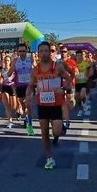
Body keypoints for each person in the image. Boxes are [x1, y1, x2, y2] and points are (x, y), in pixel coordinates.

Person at [26, 41, 72, 169]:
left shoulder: (57, 67)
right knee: (44, 132)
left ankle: (61, 127)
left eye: (47, 51)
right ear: (38, 53)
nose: (44, 53)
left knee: (56, 132)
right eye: (41, 51)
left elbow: (68, 79)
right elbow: (30, 85)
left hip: (56, 104)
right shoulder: (35, 70)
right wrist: (28, 96)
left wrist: (63, 89)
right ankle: (49, 158)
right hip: (42, 104)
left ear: (50, 52)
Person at [8, 43, 34, 135]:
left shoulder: (30, 59)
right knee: (23, 106)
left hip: (29, 86)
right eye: (20, 51)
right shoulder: (15, 61)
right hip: (19, 87)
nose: (22, 53)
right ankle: (26, 118)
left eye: (24, 51)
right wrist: (3, 78)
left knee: (28, 106)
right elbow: (10, 72)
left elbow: (35, 72)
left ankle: (30, 126)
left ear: (26, 51)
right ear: (17, 52)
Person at [1, 56, 17, 128]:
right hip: (5, 87)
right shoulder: (1, 70)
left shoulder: (13, 69)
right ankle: (10, 121)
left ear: (10, 61)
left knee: (13, 106)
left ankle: (18, 108)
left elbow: (17, 79)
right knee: (6, 105)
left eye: (8, 60)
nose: (6, 62)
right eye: (5, 60)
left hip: (12, 87)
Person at [75, 50, 92, 116]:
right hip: (76, 83)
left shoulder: (86, 64)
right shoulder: (74, 63)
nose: (79, 57)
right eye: (78, 55)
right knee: (77, 97)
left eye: (81, 55)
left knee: (82, 95)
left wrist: (88, 76)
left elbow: (90, 70)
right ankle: (80, 107)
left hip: (84, 82)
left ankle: (84, 103)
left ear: (83, 56)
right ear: (76, 56)